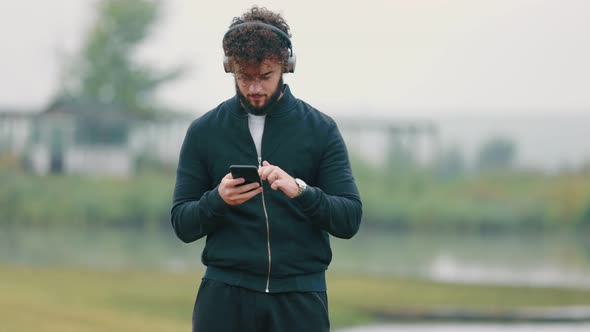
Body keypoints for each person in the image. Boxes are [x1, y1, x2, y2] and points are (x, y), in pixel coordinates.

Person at [171, 6, 362, 332]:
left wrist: (301, 192)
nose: (255, 88)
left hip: (301, 299)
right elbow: (182, 223)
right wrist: (217, 199)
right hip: (224, 299)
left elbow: (348, 219)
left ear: (286, 66)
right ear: (229, 68)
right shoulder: (203, 131)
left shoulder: (320, 129)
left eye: (265, 76)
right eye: (245, 77)